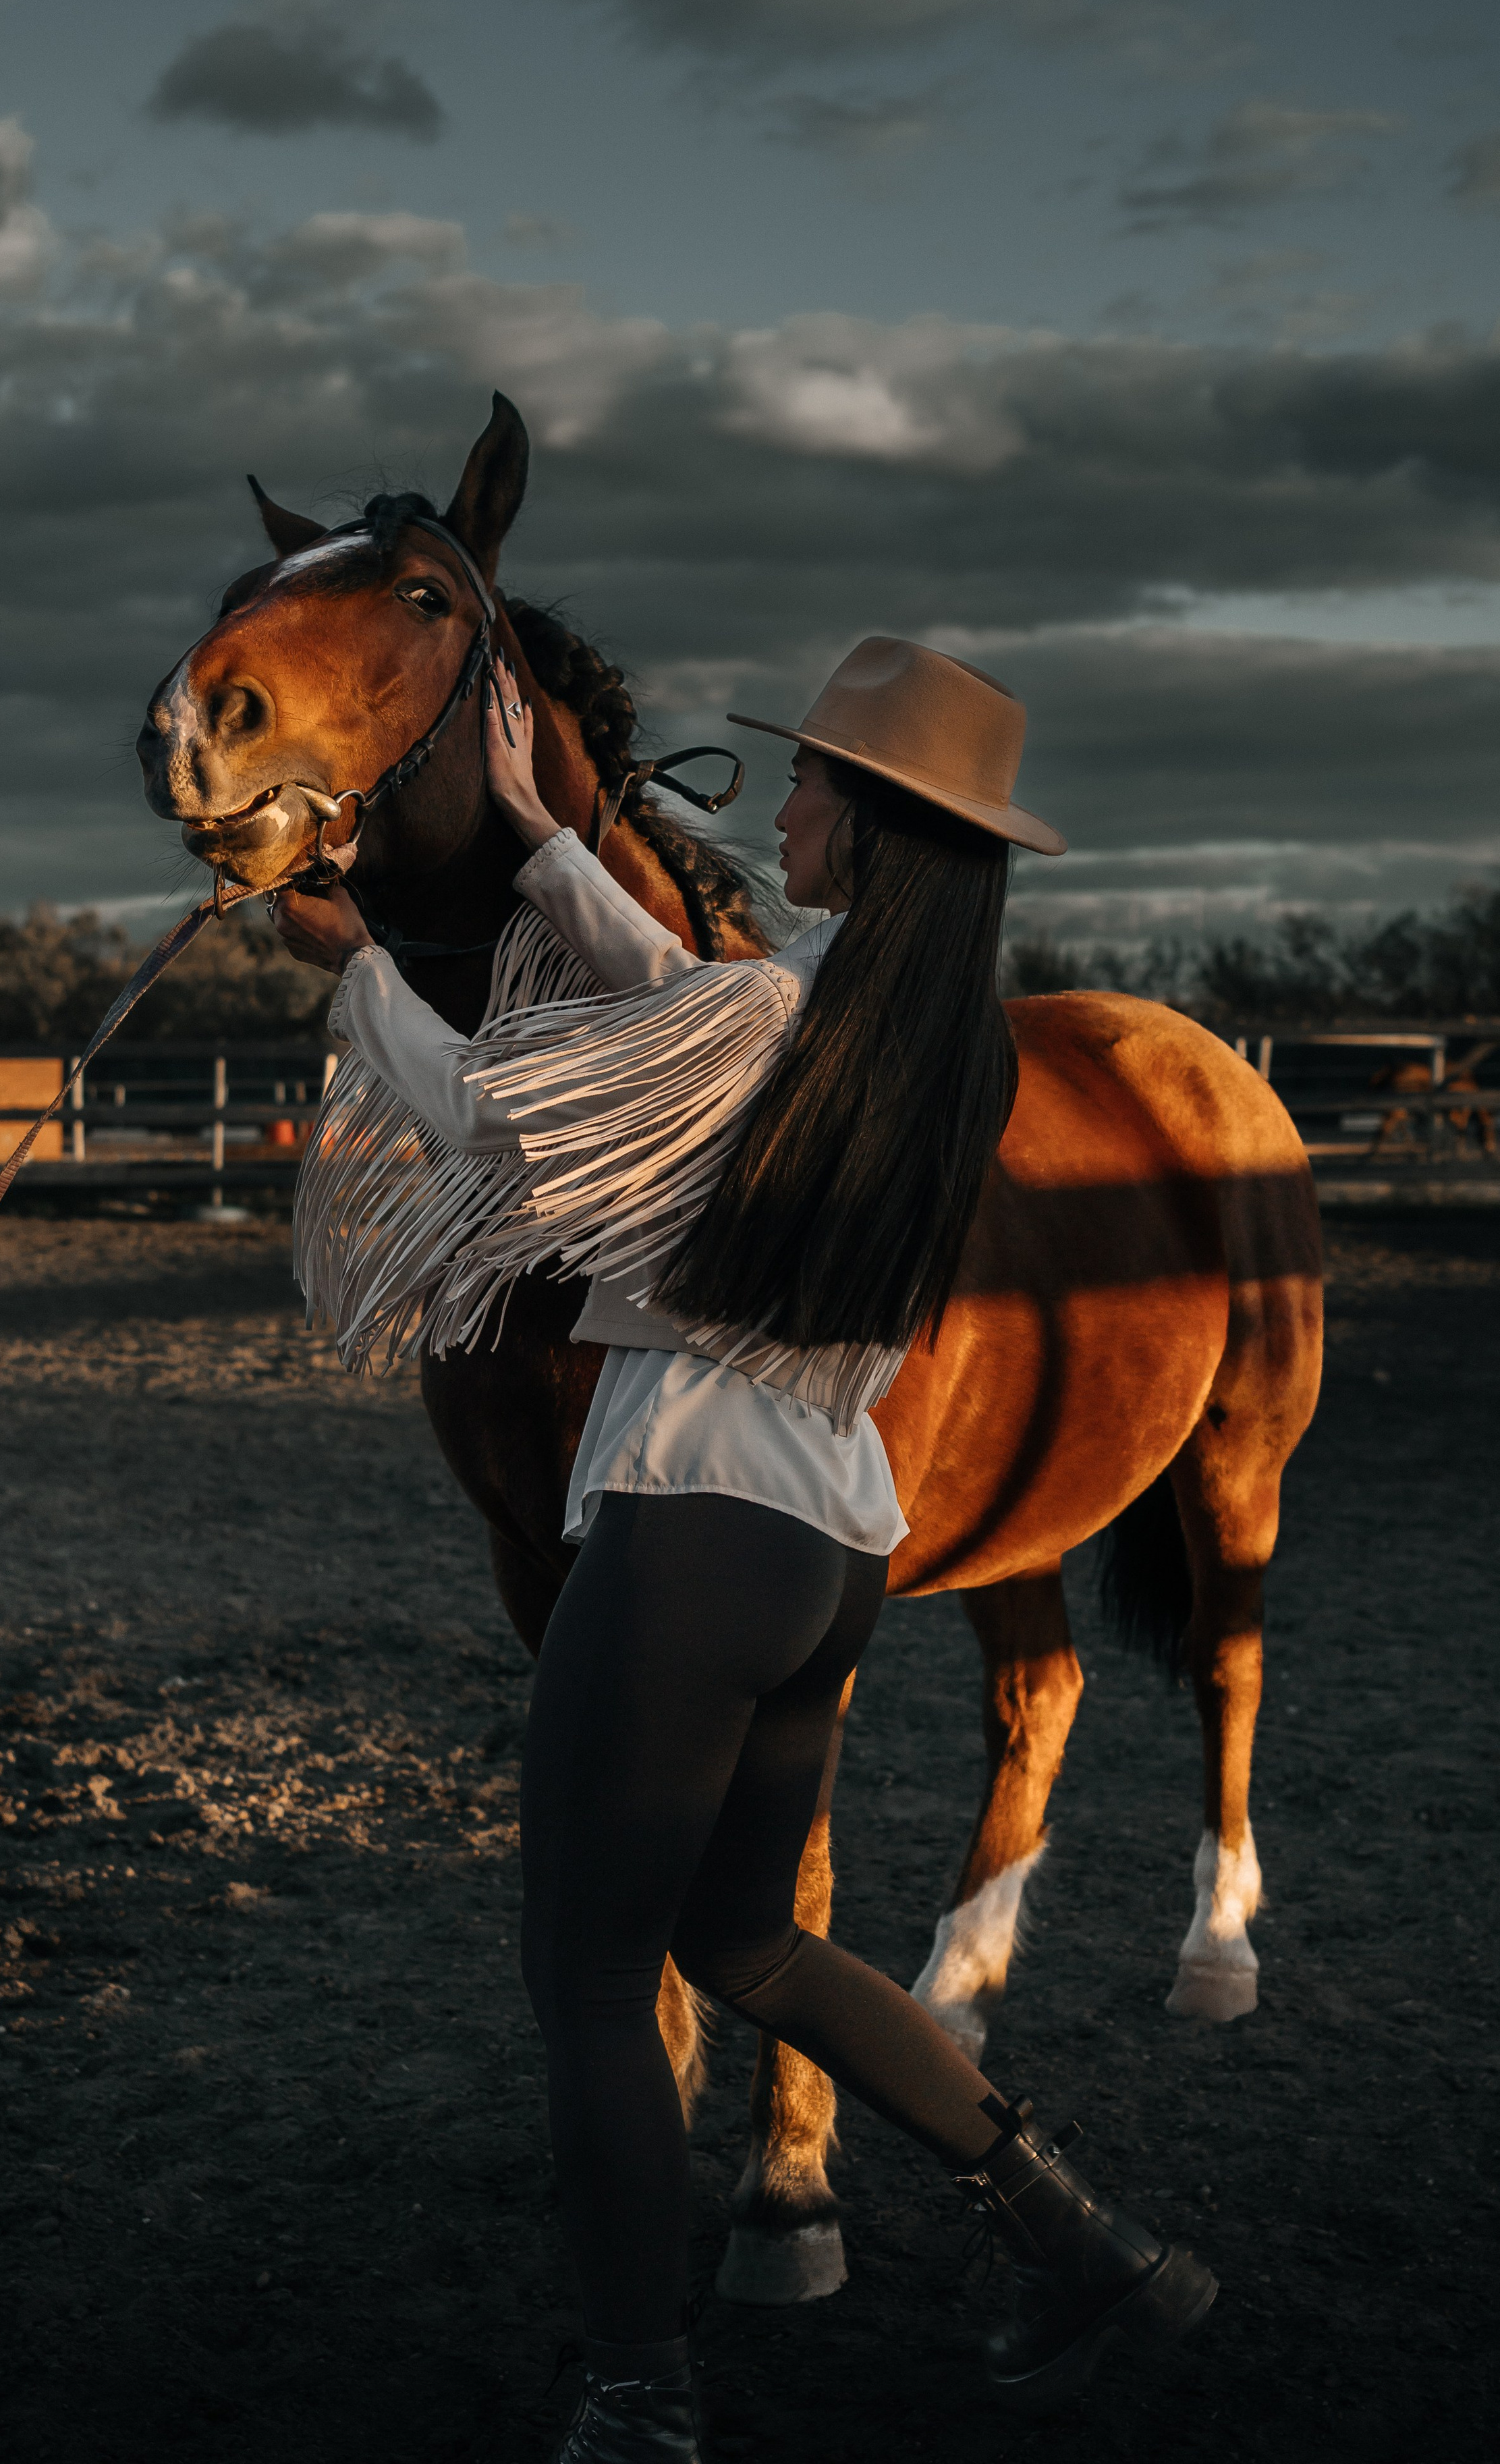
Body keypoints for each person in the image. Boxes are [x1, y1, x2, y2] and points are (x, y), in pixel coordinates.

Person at [273, 637, 1216, 2461]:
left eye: (804, 784)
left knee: (586, 1983)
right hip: (823, 1550)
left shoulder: (772, 1018)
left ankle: (640, 2399)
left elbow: (503, 1110)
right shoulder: (912, 1040)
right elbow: (688, 1012)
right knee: (752, 1947)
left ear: (865, 827)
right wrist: (552, 838)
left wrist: (369, 959)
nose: (774, 803)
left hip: (689, 1536)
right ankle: (1068, 2229)